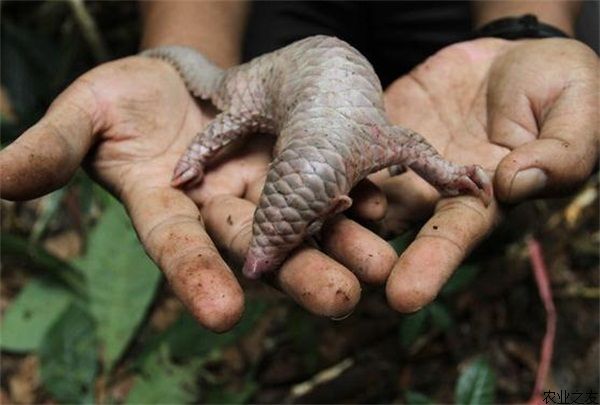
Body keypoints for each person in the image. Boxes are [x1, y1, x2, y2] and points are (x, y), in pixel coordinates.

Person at [0, 1, 597, 332]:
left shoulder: (370, 142)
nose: (257, 261)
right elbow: (413, 148)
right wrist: (200, 143)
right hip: (279, 64)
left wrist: (526, 28)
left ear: (338, 203)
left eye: (274, 241)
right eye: (271, 239)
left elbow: (415, 147)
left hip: (434, 25)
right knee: (233, 108)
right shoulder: (366, 141)